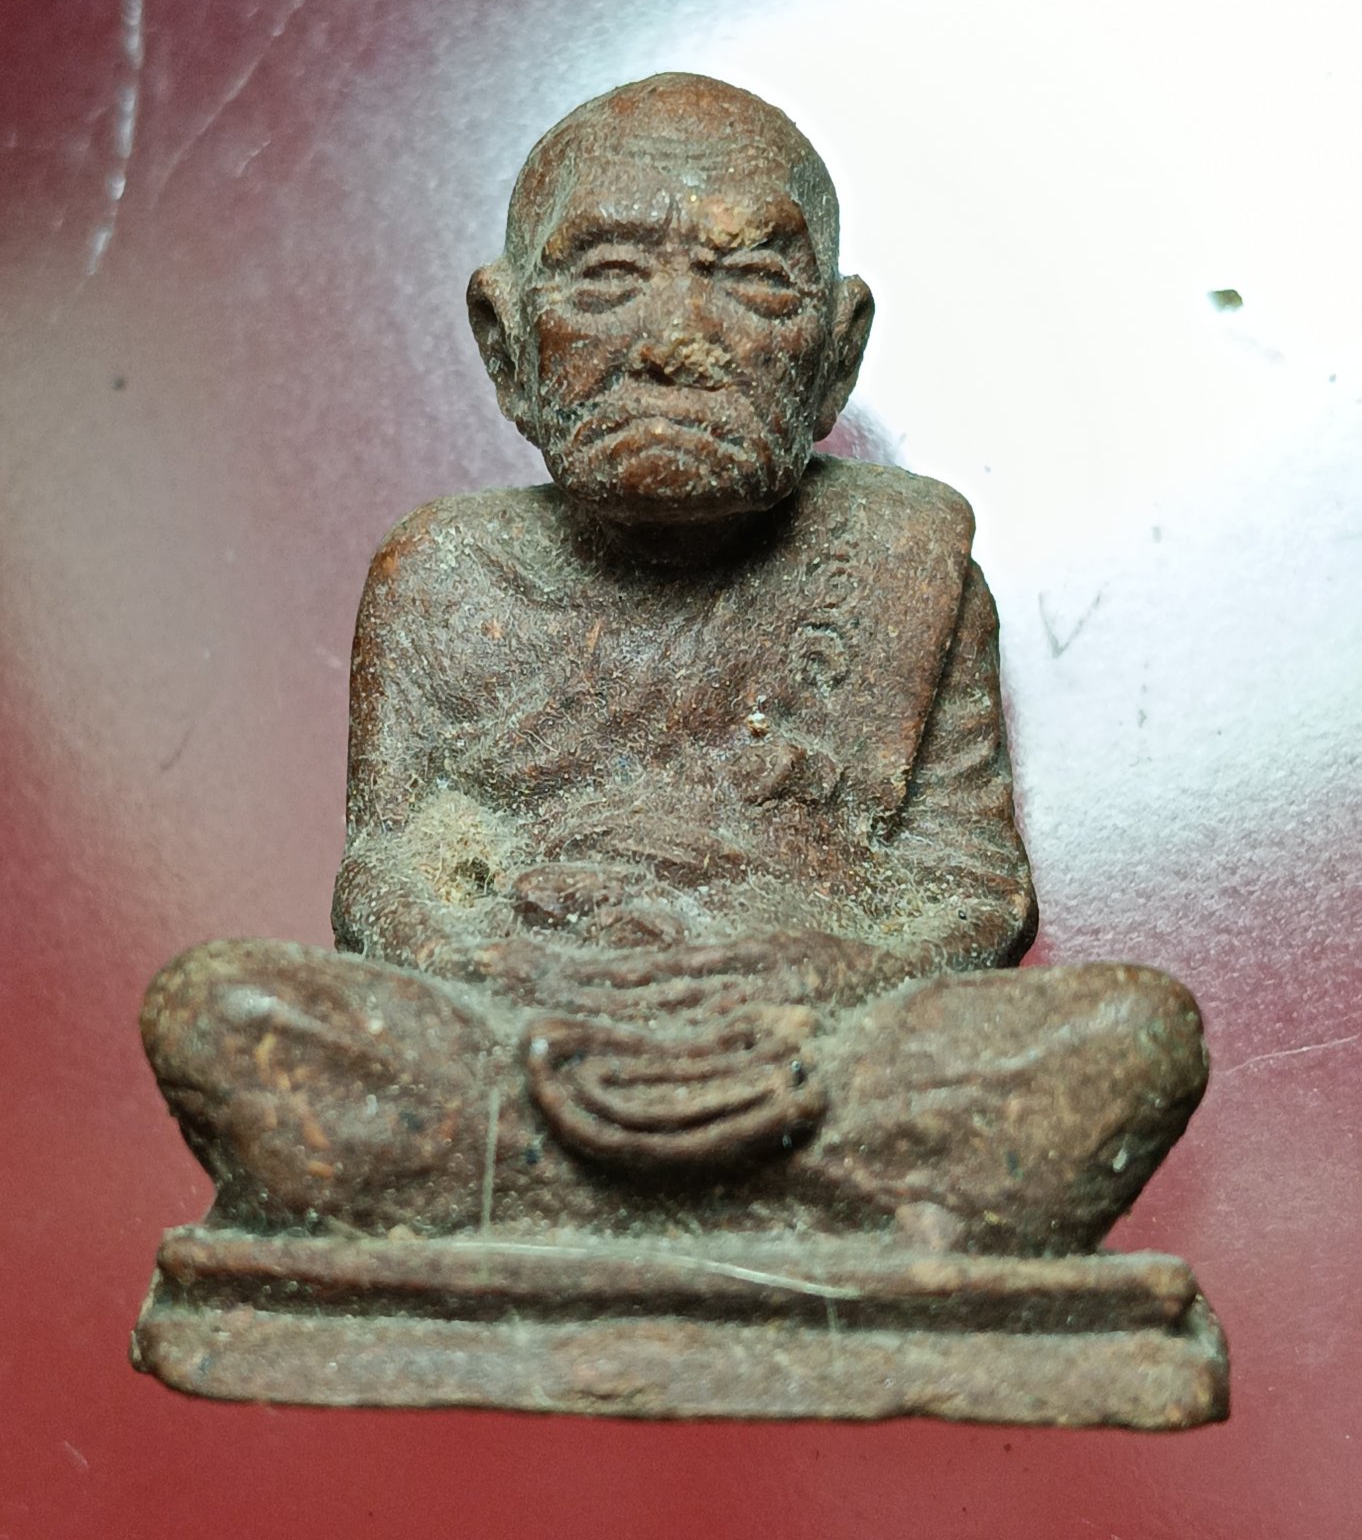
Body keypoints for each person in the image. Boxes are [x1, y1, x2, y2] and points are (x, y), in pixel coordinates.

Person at [142, 73, 1207, 1254]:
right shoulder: (443, 574)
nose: (677, 343)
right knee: (218, 1011)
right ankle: (796, 1214)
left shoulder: (905, 566)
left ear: (837, 352)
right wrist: (519, 982)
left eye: (752, 281)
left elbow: (972, 882)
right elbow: (390, 872)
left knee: (1135, 1036)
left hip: (806, 1041)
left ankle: (522, 1206)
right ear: (507, 344)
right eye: (606, 278)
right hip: (525, 1031)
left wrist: (825, 976)